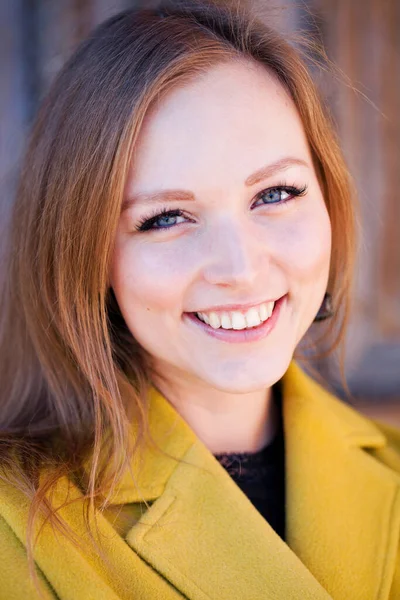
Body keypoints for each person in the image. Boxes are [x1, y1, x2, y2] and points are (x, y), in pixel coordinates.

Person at [1, 1, 400, 598]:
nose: (241, 270)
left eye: (275, 193)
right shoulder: (16, 529)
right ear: (85, 250)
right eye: (165, 218)